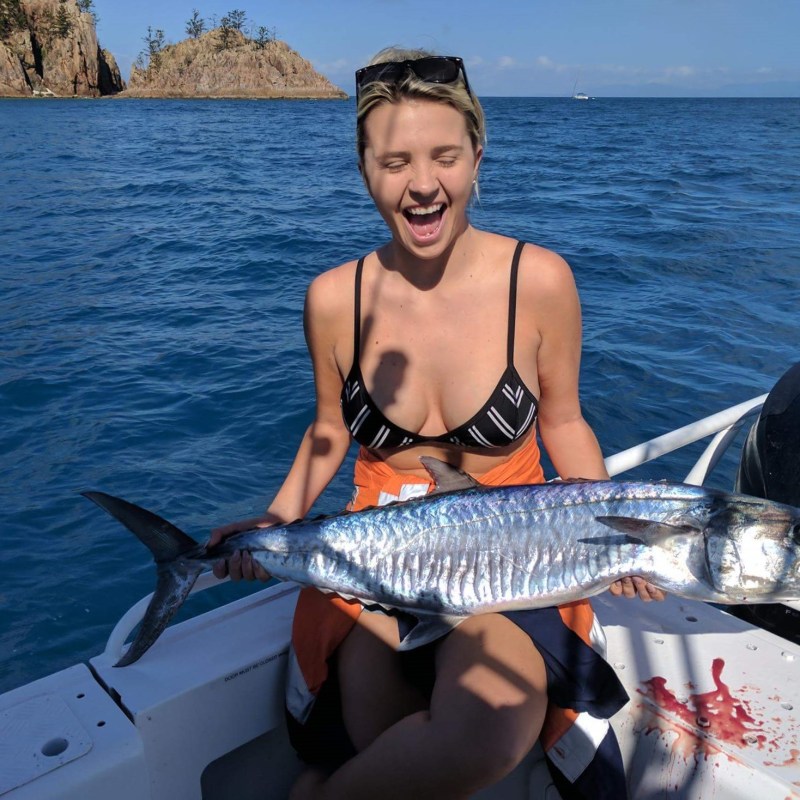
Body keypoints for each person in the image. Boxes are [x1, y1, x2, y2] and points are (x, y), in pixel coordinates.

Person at [210, 47, 664, 800]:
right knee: (387, 739)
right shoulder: (332, 297)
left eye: (445, 156)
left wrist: (618, 531)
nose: (423, 184)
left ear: (477, 155)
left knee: (484, 730)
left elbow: (565, 421)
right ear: (363, 167)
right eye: (395, 162)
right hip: (373, 564)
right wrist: (278, 520)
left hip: (512, 561)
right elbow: (329, 429)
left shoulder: (539, 281)